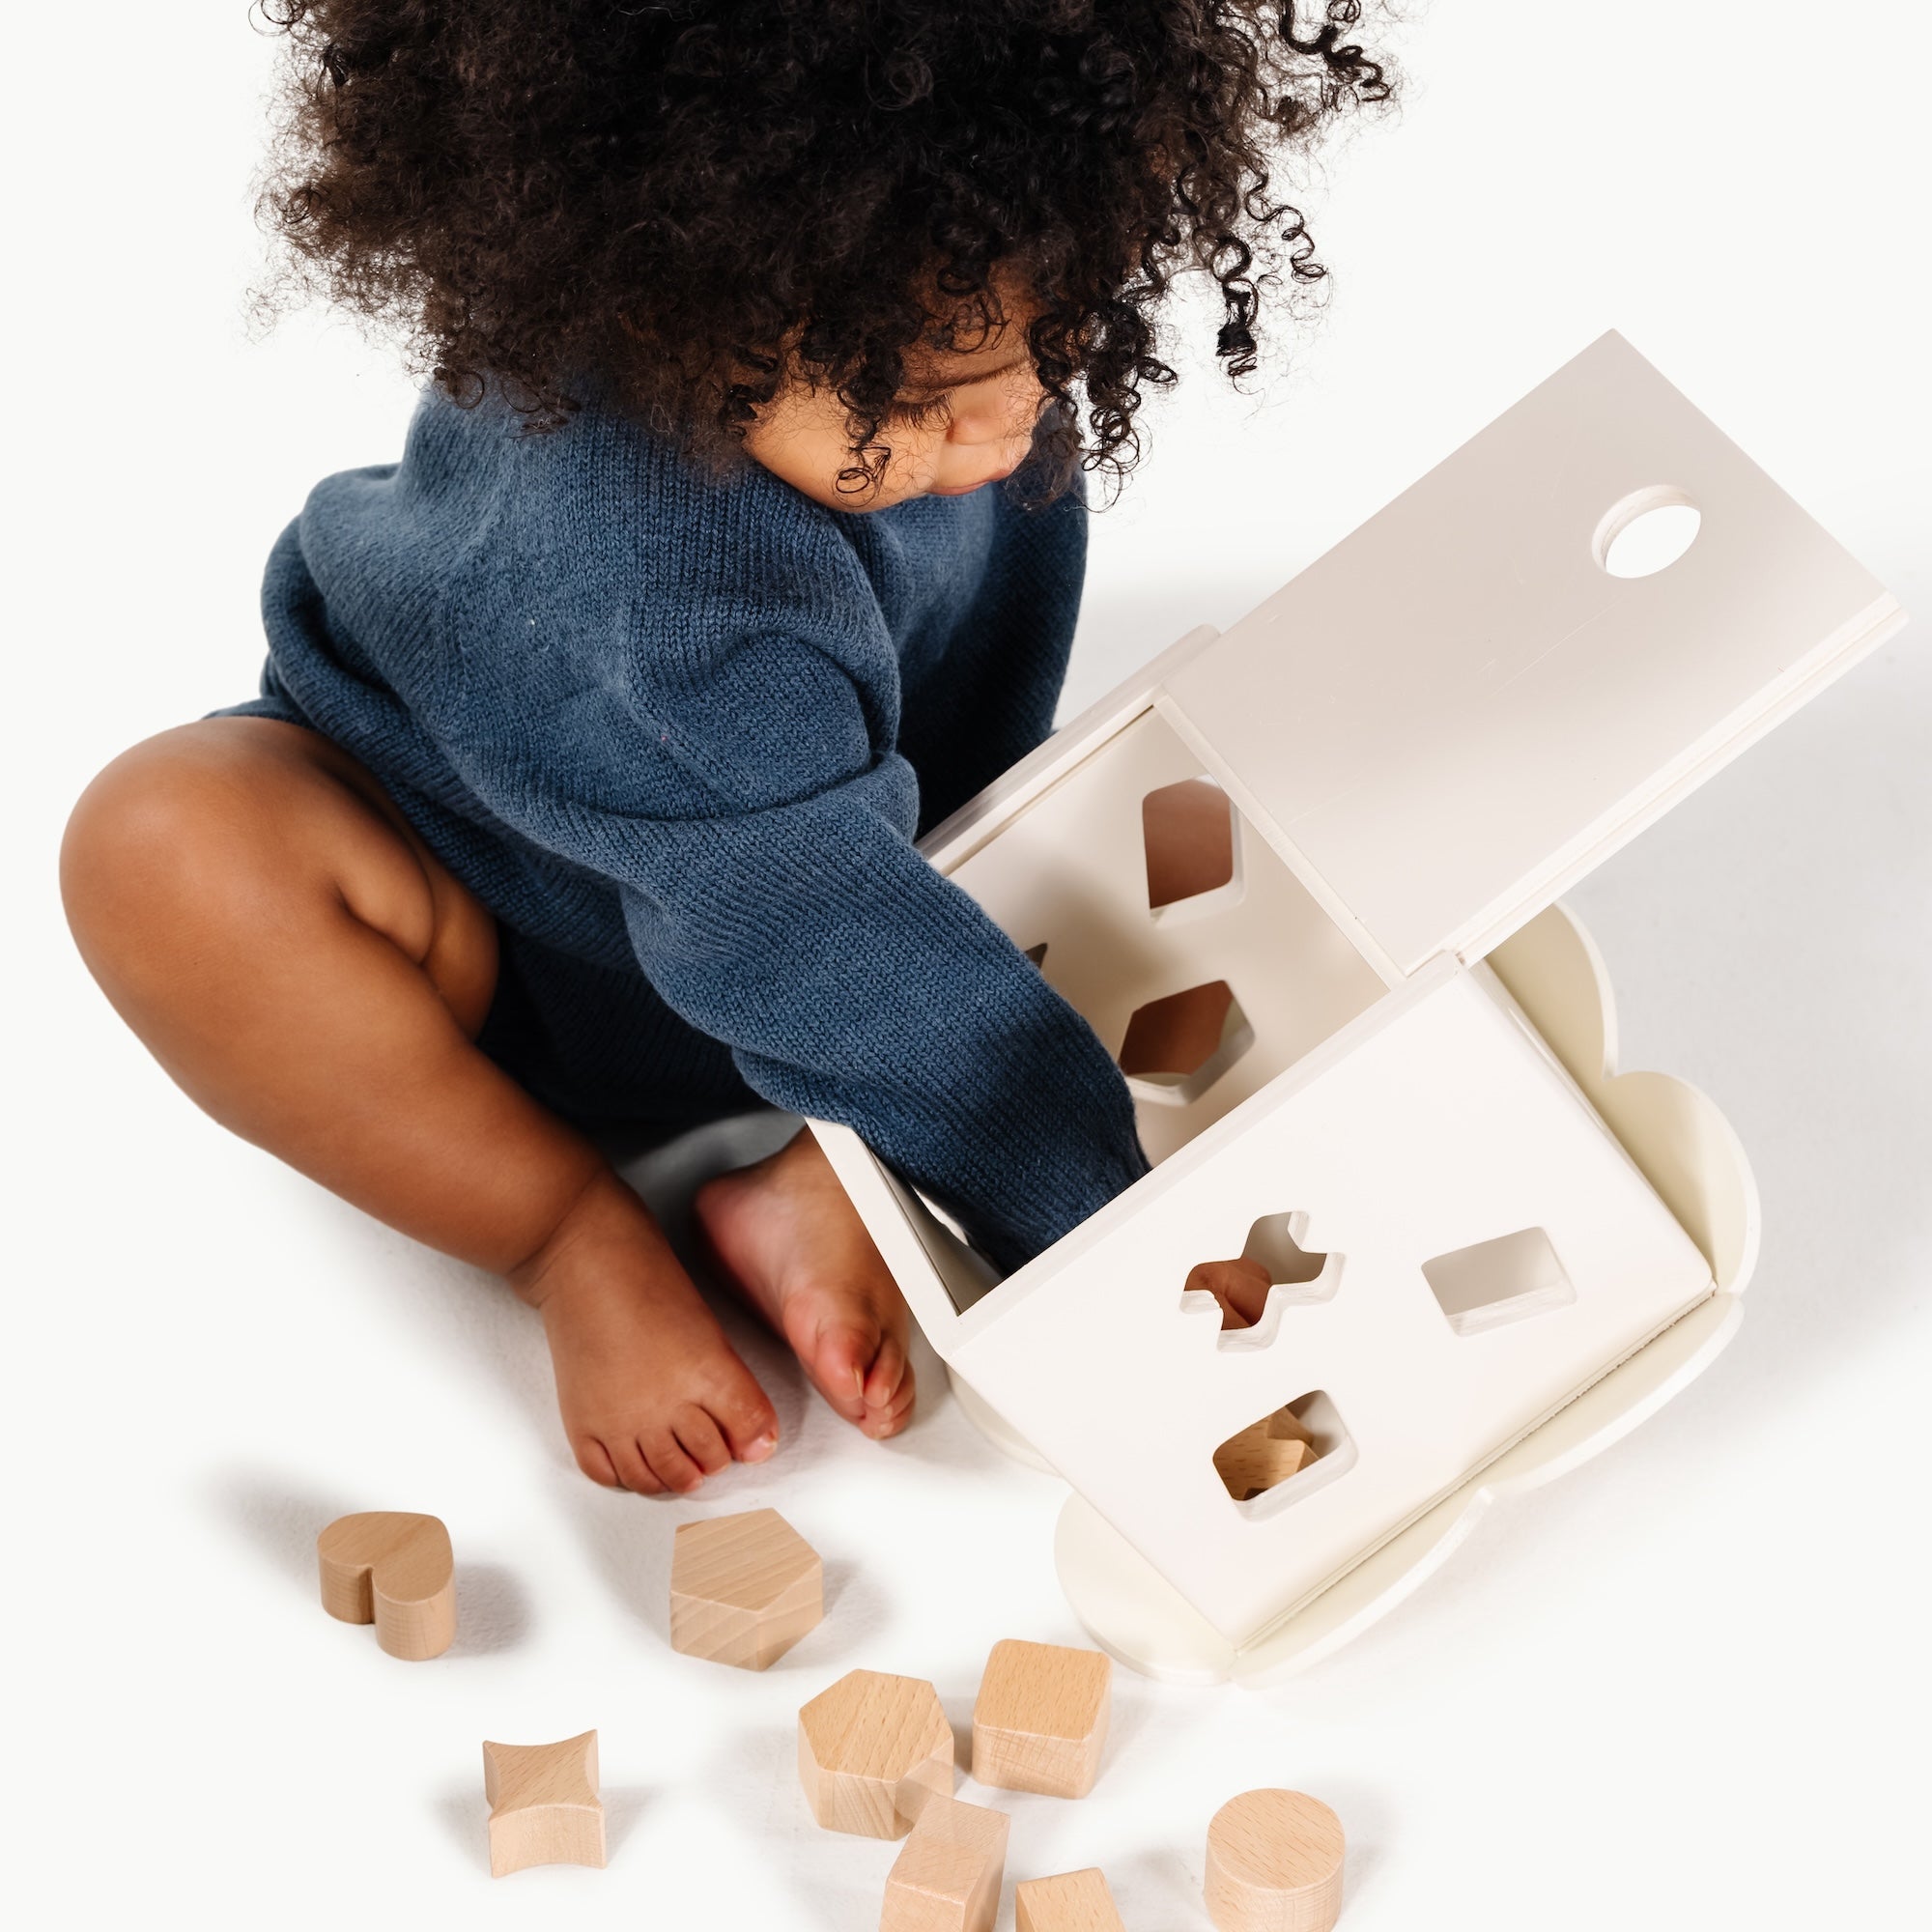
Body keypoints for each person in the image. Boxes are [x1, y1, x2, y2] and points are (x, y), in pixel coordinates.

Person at [61, 1, 1387, 1495]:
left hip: (794, 873)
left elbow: (857, 898)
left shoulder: (919, 267)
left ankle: (833, 1156)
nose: (1016, 423)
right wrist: (1118, 1253)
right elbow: (827, 942)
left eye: (1059, 338)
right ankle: (565, 1233)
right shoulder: (674, 593)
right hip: (486, 918)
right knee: (162, 846)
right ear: (680, 315)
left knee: (973, 898)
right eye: (931, 405)